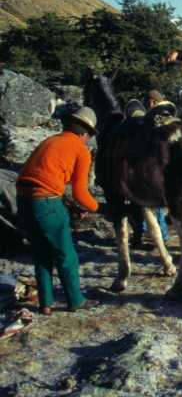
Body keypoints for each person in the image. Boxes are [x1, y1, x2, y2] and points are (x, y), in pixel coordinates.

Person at [15, 107, 101, 314]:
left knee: (41, 253)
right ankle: (76, 300)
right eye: (89, 136)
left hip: (23, 201)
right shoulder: (81, 150)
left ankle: (46, 303)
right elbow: (80, 192)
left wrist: (69, 206)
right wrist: (98, 207)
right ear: (84, 133)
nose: (88, 140)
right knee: (66, 255)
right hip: (46, 203)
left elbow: (43, 178)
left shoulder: (50, 141)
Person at [123, 96, 170, 248]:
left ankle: (153, 235)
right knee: (153, 207)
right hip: (152, 173)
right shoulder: (152, 126)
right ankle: (158, 236)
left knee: (149, 207)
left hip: (147, 173)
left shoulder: (135, 129)